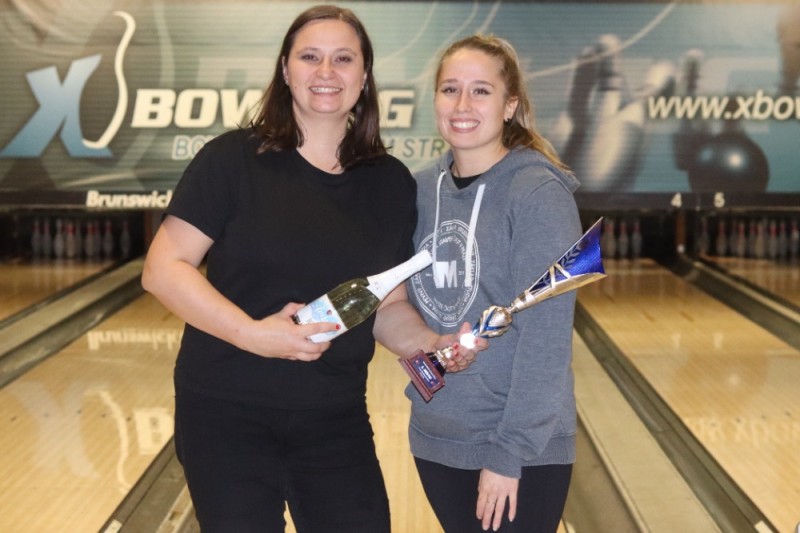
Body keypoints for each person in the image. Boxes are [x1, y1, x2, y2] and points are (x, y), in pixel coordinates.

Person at [141, 6, 480, 532]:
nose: (326, 72)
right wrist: (254, 335)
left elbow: (387, 303)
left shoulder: (389, 183)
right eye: (310, 57)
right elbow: (164, 268)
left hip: (334, 416)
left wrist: (430, 344)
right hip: (226, 412)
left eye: (343, 59)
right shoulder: (233, 159)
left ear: (364, 75)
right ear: (285, 69)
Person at [406, 34, 582, 533]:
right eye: (450, 89)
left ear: (510, 105)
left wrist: (510, 454)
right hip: (437, 438)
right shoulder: (419, 190)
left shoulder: (538, 193)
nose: (462, 104)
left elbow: (547, 340)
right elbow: (397, 304)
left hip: (516, 450)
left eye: (480, 91)